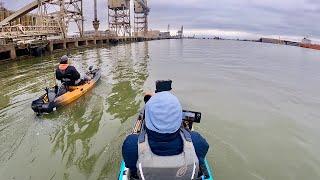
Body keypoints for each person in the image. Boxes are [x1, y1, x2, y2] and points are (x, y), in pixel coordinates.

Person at [122, 81, 210, 180]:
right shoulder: (196, 141)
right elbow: (203, 152)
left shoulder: (132, 144)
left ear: (147, 118)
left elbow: (131, 167)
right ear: (179, 117)